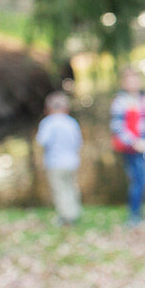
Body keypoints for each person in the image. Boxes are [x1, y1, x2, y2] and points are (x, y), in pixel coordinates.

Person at [110, 67, 145, 225]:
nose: (133, 83)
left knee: (143, 180)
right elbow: (117, 128)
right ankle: (134, 216)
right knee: (138, 180)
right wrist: (135, 143)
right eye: (129, 80)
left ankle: (139, 211)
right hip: (131, 149)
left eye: (135, 79)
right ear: (124, 83)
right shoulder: (120, 103)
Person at [35, 91, 83, 225]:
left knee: (59, 189)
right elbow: (78, 142)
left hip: (55, 163)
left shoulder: (48, 123)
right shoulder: (72, 122)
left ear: (48, 109)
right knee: (71, 187)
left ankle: (65, 216)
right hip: (72, 162)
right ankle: (74, 212)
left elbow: (42, 141)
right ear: (66, 108)